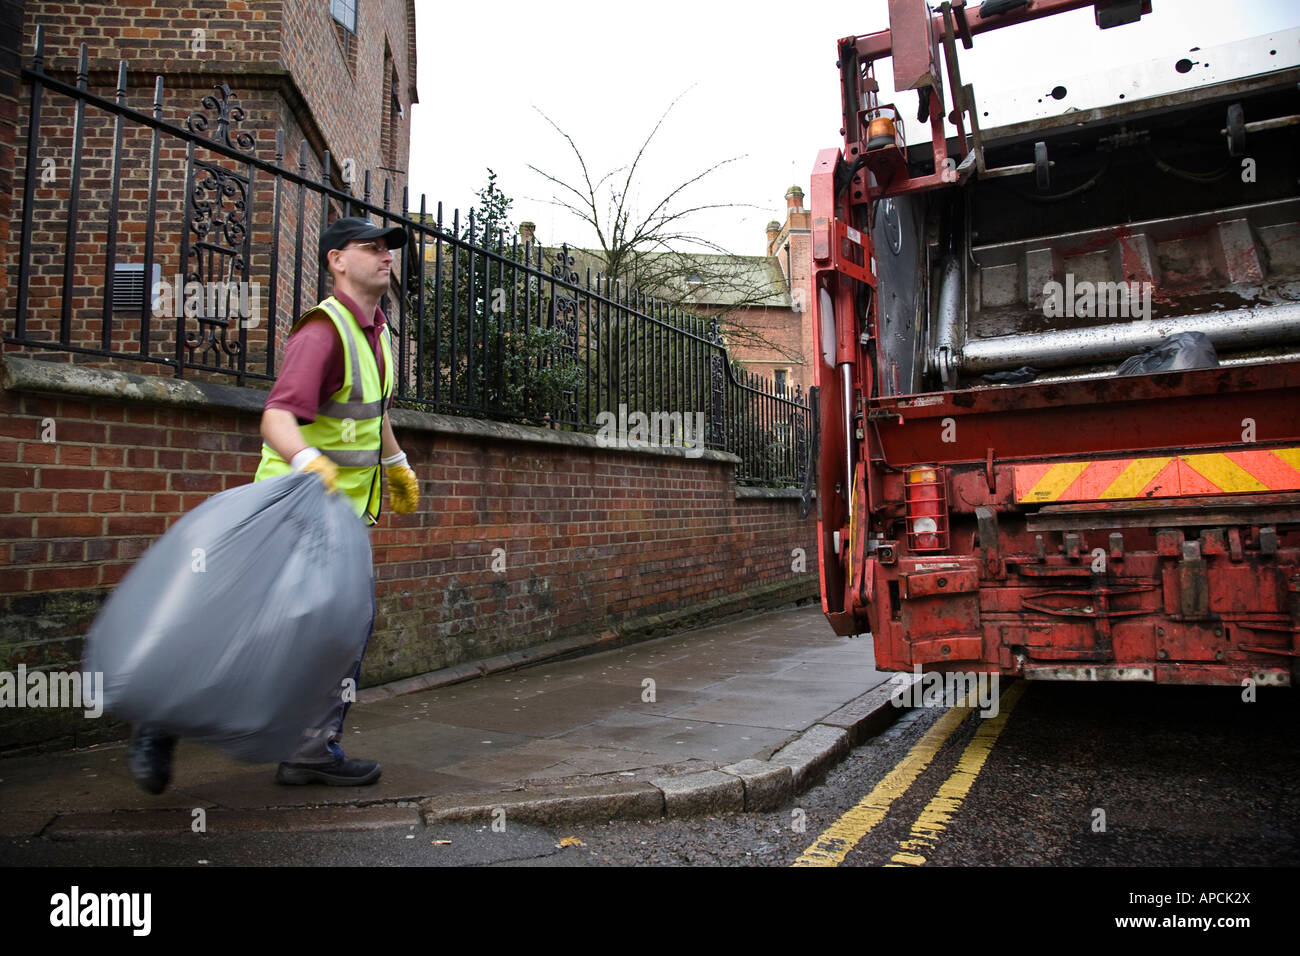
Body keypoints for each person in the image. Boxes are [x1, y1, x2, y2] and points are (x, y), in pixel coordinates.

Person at [126, 216, 420, 793]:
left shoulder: (379, 334)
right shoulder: (323, 331)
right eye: (371, 248)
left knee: (334, 634)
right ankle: (160, 717)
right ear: (338, 260)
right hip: (291, 509)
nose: (386, 257)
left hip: (340, 518)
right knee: (257, 628)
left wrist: (396, 462)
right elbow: (277, 416)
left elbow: (372, 410)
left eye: (389, 249)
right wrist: (312, 464)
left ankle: (309, 751)